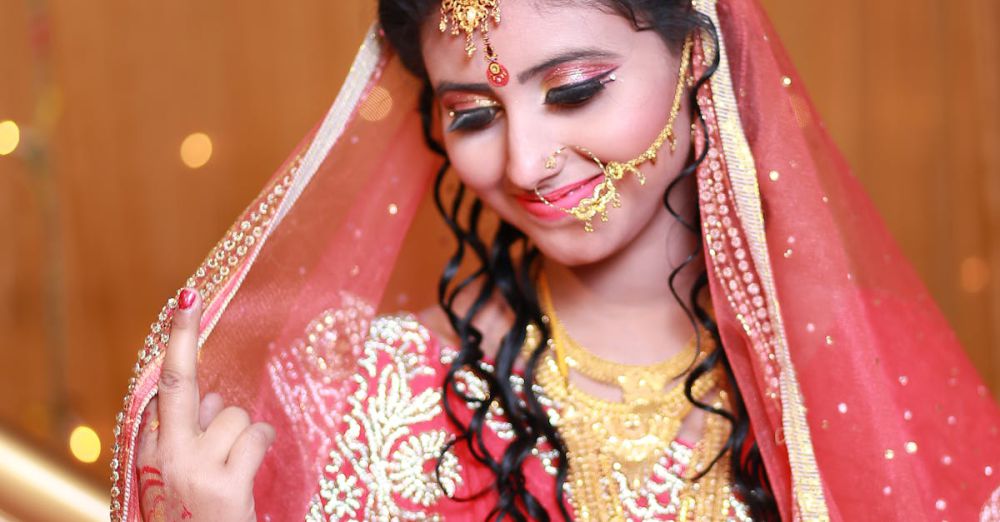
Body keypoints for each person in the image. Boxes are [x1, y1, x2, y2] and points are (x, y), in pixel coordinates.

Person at [109, 0, 1000, 520]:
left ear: (701, 53)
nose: (526, 161)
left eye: (574, 90)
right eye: (472, 115)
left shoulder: (872, 373)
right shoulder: (351, 396)